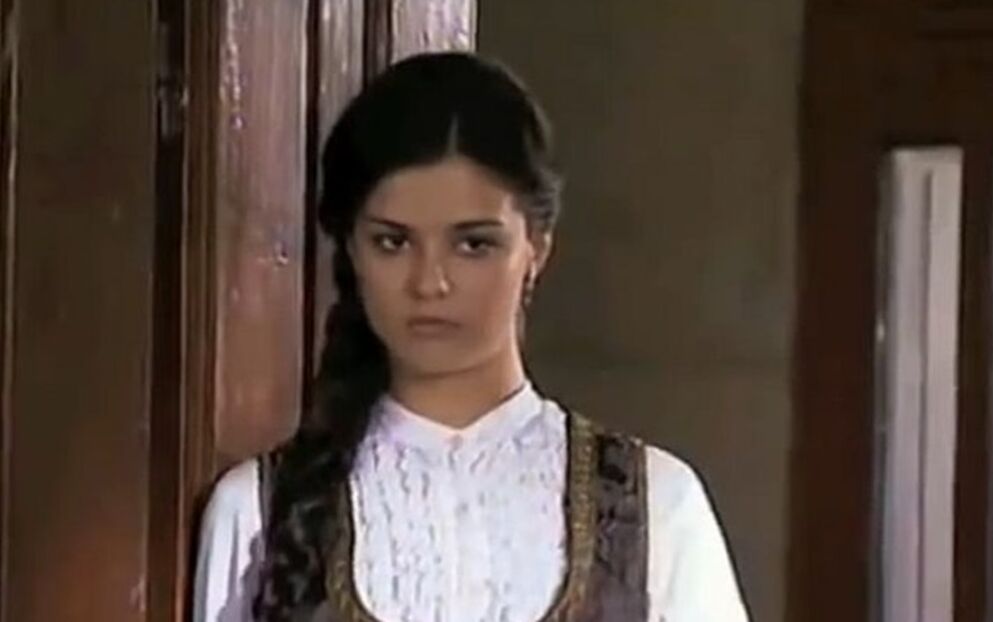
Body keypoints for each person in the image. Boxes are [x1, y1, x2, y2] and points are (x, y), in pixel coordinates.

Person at [192, 51, 749, 622]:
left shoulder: (656, 509)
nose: (430, 282)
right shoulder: (256, 513)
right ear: (352, 248)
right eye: (393, 242)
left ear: (536, 248)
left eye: (474, 244)